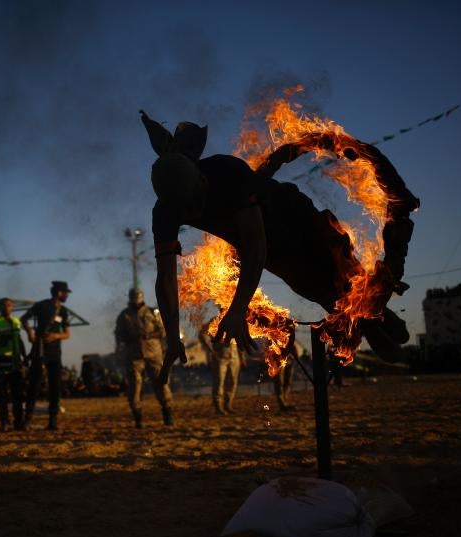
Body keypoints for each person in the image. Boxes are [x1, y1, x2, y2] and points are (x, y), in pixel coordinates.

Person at [139, 111, 413, 381]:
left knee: (347, 290)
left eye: (195, 202)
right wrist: (172, 336)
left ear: (201, 179)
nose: (193, 213)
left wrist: (238, 309)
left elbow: (254, 246)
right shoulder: (165, 212)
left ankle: (379, 320)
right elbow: (165, 279)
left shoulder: (227, 173)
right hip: (276, 256)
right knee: (331, 298)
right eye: (185, 211)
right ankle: (378, 323)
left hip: (300, 224)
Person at [115, 287, 173, 427]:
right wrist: (128, 340)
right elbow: (119, 335)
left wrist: (148, 336)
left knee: (161, 382)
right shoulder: (124, 315)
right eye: (133, 296)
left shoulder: (153, 312)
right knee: (135, 384)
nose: (136, 298)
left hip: (154, 353)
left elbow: (162, 331)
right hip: (134, 355)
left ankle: (167, 412)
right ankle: (138, 417)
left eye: (137, 295)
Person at [21, 281, 72, 431]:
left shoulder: (63, 311)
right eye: (65, 292)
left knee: (55, 387)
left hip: (55, 353)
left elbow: (67, 334)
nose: (67, 295)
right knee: (34, 385)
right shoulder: (41, 305)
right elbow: (24, 319)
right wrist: (31, 334)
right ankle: (27, 420)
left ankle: (53, 421)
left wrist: (56, 336)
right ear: (58, 293)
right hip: (39, 350)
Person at [0, 298, 27, 431]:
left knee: (18, 395)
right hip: (1, 364)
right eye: (4, 305)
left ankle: (19, 422)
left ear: (12, 308)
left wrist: (25, 356)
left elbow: (20, 340)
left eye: (9, 305)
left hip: (16, 364)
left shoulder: (17, 322)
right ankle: (4, 422)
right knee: (2, 395)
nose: (7, 307)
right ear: (0, 308)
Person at [199, 317, 246, 415]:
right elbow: (201, 334)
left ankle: (228, 405)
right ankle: (218, 406)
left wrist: (243, 357)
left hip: (234, 355)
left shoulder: (236, 319)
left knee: (232, 381)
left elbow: (241, 338)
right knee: (219, 382)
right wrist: (211, 349)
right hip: (220, 356)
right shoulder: (215, 320)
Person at [274, 339, 300, 412]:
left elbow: (293, 344)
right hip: (279, 361)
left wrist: (295, 355)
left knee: (287, 382)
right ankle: (282, 404)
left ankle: (285, 401)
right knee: (279, 383)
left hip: (289, 360)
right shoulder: (273, 334)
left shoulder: (287, 333)